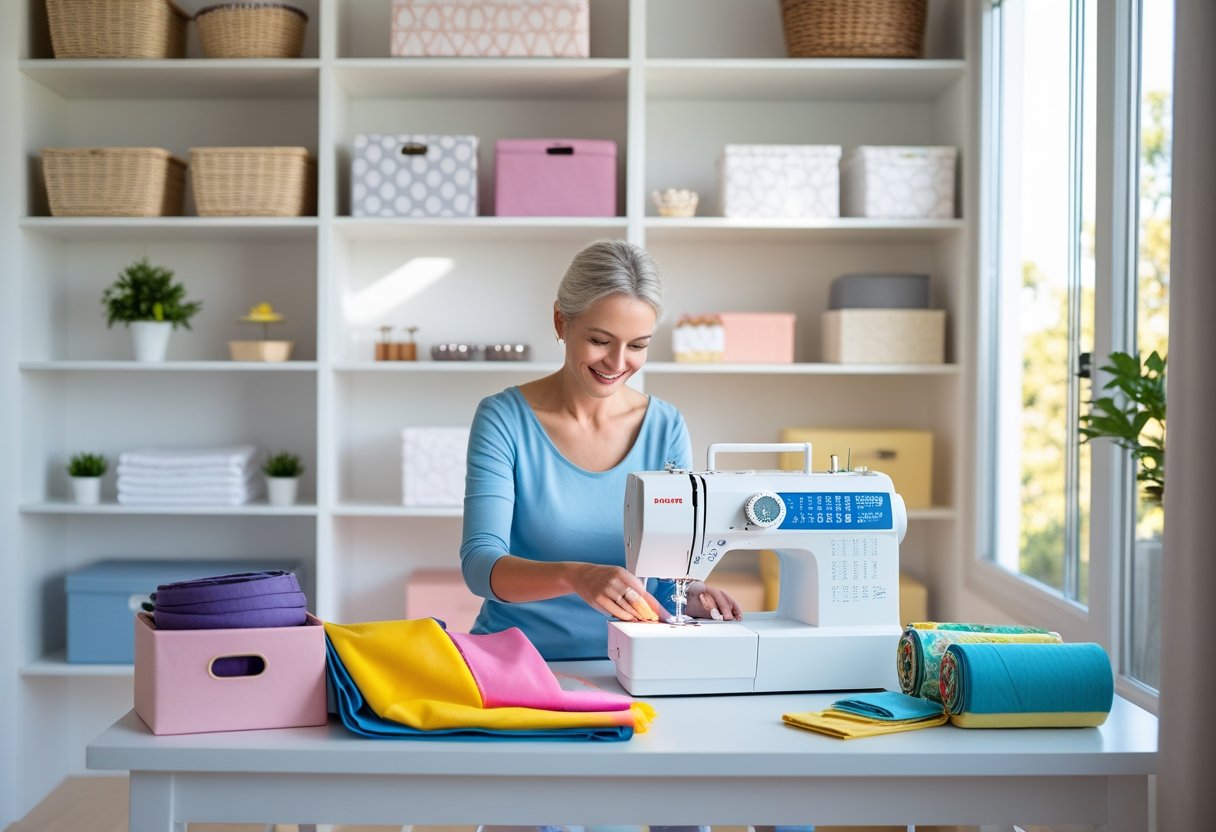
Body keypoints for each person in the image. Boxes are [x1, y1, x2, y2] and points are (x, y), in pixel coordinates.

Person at [460, 238, 742, 662]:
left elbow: (667, 573)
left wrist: (695, 594)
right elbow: (480, 565)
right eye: (599, 339)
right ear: (561, 322)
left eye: (638, 345)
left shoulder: (664, 427)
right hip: (518, 661)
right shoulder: (503, 419)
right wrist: (576, 576)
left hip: (633, 661)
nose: (616, 362)